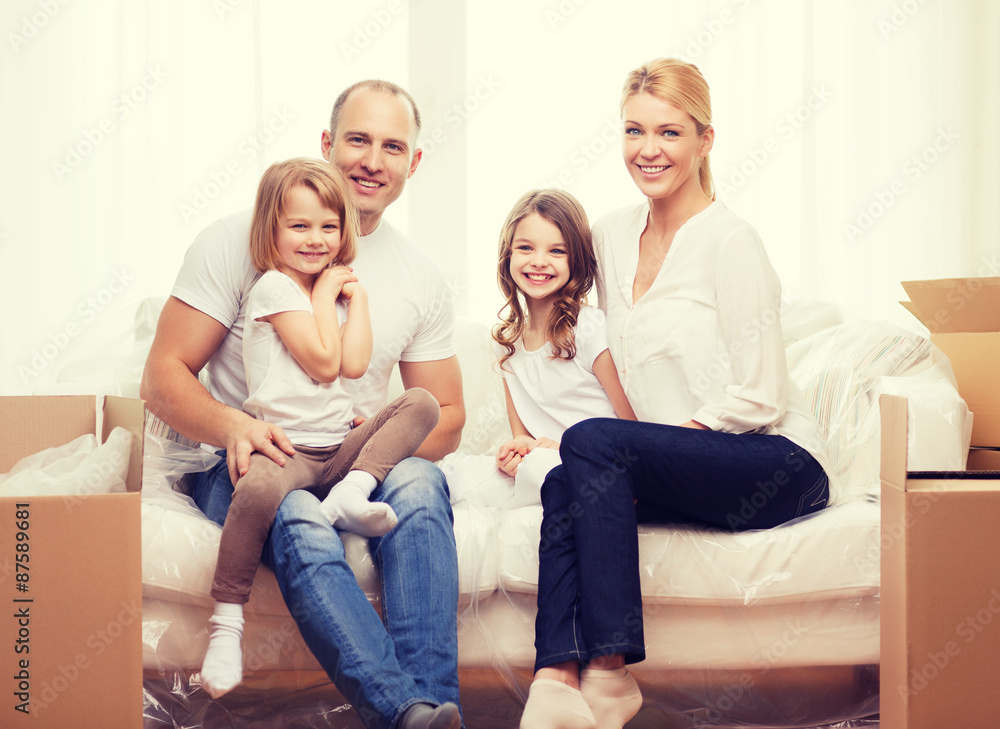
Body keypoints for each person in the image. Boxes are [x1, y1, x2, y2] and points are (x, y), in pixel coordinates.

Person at [141, 80, 465, 729]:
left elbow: (448, 412)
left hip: (344, 458)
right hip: (245, 462)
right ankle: (404, 712)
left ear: (414, 163)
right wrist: (235, 424)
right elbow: (162, 376)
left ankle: (431, 704)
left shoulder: (418, 274)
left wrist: (374, 438)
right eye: (358, 139)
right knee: (292, 511)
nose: (373, 159)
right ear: (327, 144)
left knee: (424, 482)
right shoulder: (239, 242)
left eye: (392, 146)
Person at [520, 59, 832, 729]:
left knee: (591, 447)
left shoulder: (731, 242)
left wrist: (640, 453)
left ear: (705, 140)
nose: (648, 149)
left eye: (669, 132)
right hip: (673, 458)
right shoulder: (608, 235)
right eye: (634, 130)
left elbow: (760, 394)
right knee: (563, 479)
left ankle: (609, 673)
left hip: (773, 459)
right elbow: (561, 317)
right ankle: (555, 677)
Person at [200, 158, 440, 699]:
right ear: (272, 231)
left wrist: (360, 301)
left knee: (420, 403)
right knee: (256, 490)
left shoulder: (323, 290)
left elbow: (354, 366)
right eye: (299, 226)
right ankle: (226, 623)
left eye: (329, 227)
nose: (316, 240)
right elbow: (323, 364)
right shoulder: (276, 290)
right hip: (287, 452)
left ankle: (351, 494)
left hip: (336, 449)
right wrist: (326, 295)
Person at [490, 189, 635, 505]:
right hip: (546, 466)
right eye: (525, 247)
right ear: (508, 256)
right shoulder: (508, 343)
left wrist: (561, 449)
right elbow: (523, 436)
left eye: (557, 251)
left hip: (600, 465)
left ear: (576, 260)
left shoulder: (589, 328)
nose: (539, 261)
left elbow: (631, 430)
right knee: (465, 478)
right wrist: (517, 453)